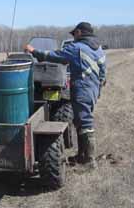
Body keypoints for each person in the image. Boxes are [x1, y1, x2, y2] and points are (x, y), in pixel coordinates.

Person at [24, 22, 106, 170]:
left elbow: (54, 56)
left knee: (85, 123)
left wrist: (34, 51)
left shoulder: (76, 48)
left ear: (80, 32)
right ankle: (82, 156)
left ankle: (89, 161)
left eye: (74, 34)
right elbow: (103, 72)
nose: (73, 37)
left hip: (82, 89)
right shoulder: (98, 48)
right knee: (80, 121)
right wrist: (98, 87)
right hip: (93, 89)